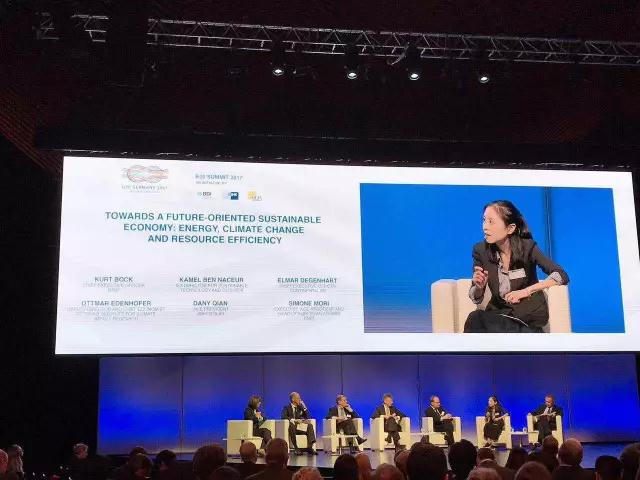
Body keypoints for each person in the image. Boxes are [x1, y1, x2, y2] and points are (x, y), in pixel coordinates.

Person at [464, 200, 569, 333]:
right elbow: (477, 297)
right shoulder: (480, 250)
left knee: (506, 328)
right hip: (500, 314)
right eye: (484, 220)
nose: (485, 227)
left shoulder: (528, 247)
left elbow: (561, 275)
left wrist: (526, 291)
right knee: (475, 318)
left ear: (510, 228)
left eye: (491, 222)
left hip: (526, 315)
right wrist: (479, 287)